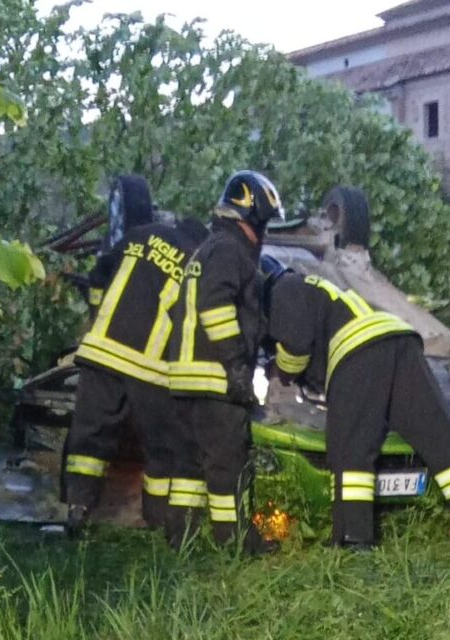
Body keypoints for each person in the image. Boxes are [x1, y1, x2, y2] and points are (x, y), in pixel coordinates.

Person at [262, 267, 450, 551]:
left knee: (350, 451)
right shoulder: (319, 289)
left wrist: (280, 371)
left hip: (359, 351)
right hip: (399, 340)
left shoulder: (282, 287)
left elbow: (296, 348)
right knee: (441, 438)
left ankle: (353, 540)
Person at [61, 184, 210, 539]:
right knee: (163, 446)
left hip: (101, 352)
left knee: (89, 439)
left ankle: (77, 509)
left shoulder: (139, 235)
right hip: (150, 367)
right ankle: (157, 519)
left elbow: (98, 277)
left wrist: (98, 317)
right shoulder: (197, 262)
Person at [165, 170, 283, 554]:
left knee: (187, 468)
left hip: (185, 379)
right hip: (216, 379)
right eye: (262, 224)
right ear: (247, 218)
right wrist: (236, 366)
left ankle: (181, 538)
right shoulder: (231, 251)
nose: (263, 234)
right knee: (228, 466)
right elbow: (215, 308)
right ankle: (233, 543)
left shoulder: (207, 249)